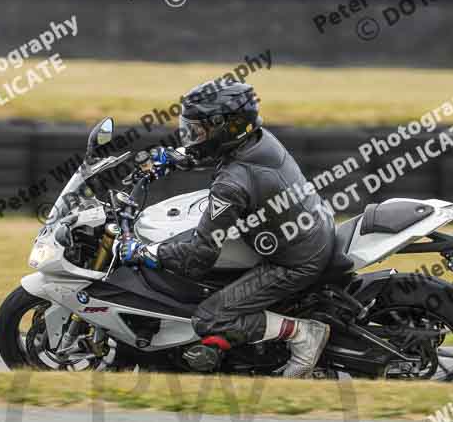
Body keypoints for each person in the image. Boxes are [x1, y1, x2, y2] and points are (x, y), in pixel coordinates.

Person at [119, 80, 335, 378]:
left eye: (199, 131)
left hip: (294, 262)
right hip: (304, 230)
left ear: (226, 127)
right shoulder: (257, 141)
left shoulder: (233, 183)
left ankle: (302, 334)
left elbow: (197, 257)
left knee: (209, 318)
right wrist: (176, 156)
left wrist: (145, 250)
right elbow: (217, 151)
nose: (193, 137)